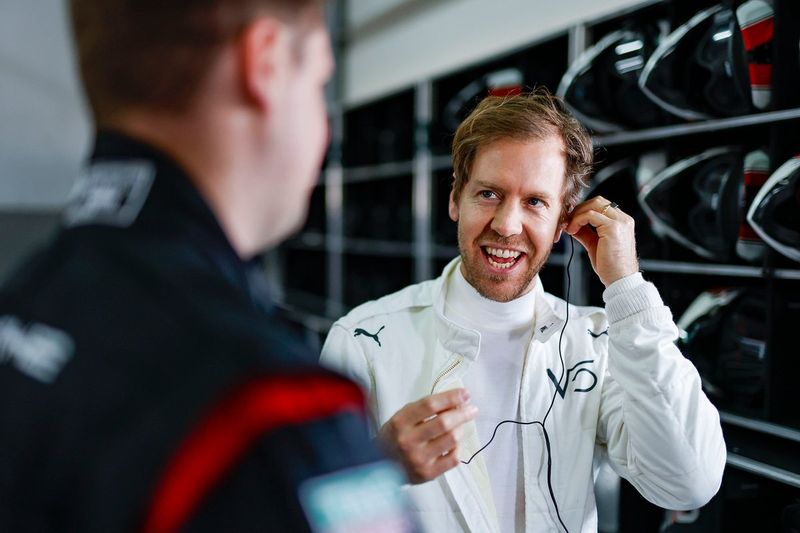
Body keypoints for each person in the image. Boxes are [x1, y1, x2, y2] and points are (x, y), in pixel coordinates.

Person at [0, 1, 413, 532]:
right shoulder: (271, 415)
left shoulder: (25, 300)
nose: (324, 133)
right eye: (317, 83)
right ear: (264, 63)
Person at [321, 90, 727, 533]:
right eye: (488, 194)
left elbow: (688, 484)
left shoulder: (595, 343)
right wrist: (380, 466)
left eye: (535, 202)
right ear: (455, 198)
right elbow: (304, 508)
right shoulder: (364, 340)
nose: (506, 225)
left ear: (563, 221)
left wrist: (627, 287)